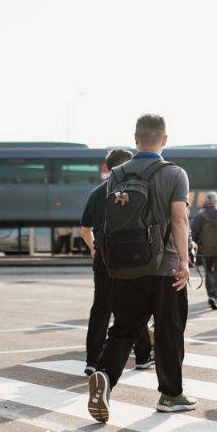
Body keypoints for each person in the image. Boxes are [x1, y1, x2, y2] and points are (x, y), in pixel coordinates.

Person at [87, 113, 196, 421]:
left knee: (123, 330)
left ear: (136, 139)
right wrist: (184, 262)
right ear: (164, 140)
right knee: (168, 331)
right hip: (166, 268)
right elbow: (179, 218)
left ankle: (105, 375)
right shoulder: (175, 174)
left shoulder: (116, 174)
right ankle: (171, 395)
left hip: (125, 266)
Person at [79, 148, 153, 376]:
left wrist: (94, 248)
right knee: (134, 305)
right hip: (130, 256)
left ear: (108, 167)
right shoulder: (138, 189)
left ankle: (92, 360)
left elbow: (84, 230)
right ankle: (143, 355)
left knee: (101, 307)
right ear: (127, 166)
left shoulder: (97, 193)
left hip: (104, 255)